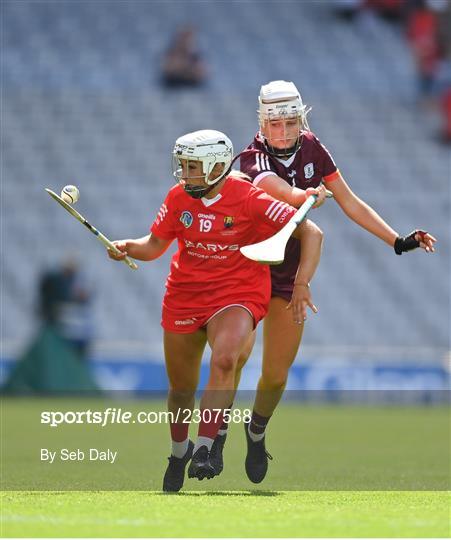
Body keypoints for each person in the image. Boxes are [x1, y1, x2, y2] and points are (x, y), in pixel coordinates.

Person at [210, 80, 437, 484]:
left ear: (302, 119)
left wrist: (397, 241)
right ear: (262, 123)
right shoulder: (250, 160)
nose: (282, 132)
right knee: (233, 358)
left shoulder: (313, 147)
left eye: (290, 122)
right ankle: (215, 440)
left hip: (289, 277)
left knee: (276, 375)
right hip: (245, 273)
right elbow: (278, 192)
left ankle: (256, 431)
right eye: (274, 124)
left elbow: (349, 200)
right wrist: (305, 194)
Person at [107, 129, 324, 492]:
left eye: (193, 166)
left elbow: (311, 233)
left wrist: (301, 283)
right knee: (181, 389)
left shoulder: (249, 198)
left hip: (237, 293)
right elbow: (156, 245)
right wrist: (128, 247)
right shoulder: (178, 198)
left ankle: (206, 447)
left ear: (217, 166)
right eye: (184, 165)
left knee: (225, 360)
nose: (185, 173)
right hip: (185, 294)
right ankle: (180, 452)